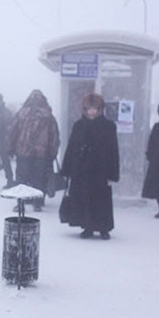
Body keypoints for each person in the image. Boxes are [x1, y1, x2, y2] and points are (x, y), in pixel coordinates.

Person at [60, 92, 119, 240]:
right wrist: (67, 169)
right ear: (84, 110)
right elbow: (72, 147)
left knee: (102, 199)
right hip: (81, 169)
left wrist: (113, 173)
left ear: (100, 109)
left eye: (95, 108)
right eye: (89, 108)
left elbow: (113, 150)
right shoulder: (79, 125)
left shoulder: (108, 126)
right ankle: (88, 226)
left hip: (101, 169)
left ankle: (104, 228)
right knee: (84, 198)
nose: (92, 112)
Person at [6, 89, 60, 211]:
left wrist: (10, 148)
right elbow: (54, 135)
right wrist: (53, 152)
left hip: (23, 151)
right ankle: (38, 202)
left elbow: (12, 131)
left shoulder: (21, 113)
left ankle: (21, 203)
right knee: (39, 178)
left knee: (21, 178)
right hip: (42, 153)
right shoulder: (48, 115)